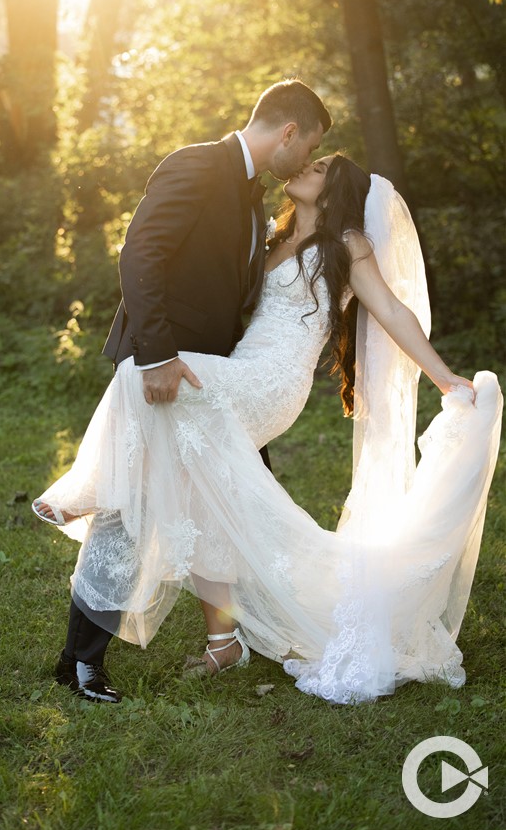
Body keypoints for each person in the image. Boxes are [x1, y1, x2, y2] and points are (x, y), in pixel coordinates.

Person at [33, 152, 502, 705]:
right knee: (204, 494)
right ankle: (223, 640)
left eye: (320, 166)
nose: (305, 166)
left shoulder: (347, 244)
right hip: (239, 369)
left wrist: (444, 377)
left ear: (336, 191)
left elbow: (394, 312)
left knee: (147, 373)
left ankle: (88, 489)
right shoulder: (271, 233)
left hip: (273, 382)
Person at [33, 79, 332, 702]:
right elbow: (140, 251)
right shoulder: (197, 164)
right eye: (310, 147)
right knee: (127, 512)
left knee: (246, 508)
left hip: (219, 384)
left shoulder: (255, 197)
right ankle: (83, 661)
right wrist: (159, 355)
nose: (306, 163)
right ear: (288, 133)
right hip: (168, 373)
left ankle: (247, 638)